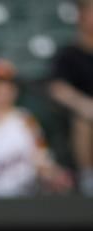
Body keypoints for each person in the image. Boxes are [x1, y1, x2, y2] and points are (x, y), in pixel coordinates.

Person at [0, 58, 72, 197]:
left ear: (14, 91)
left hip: (24, 198)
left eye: (3, 85)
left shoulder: (26, 120)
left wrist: (54, 174)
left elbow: (41, 160)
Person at [49, 0, 93, 195]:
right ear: (80, 18)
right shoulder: (69, 54)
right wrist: (85, 105)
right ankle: (88, 177)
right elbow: (58, 88)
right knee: (83, 121)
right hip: (82, 114)